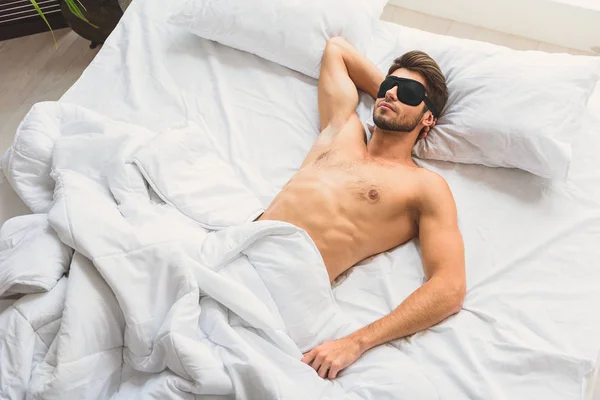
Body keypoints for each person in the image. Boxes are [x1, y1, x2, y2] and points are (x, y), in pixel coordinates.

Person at [256, 37, 466, 379]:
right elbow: (336, 49)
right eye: (389, 85)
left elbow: (450, 288)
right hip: (238, 246)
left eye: (409, 93)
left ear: (429, 120)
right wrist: (398, 93)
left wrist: (356, 342)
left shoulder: (425, 186)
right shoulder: (343, 128)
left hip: (283, 286)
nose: (391, 94)